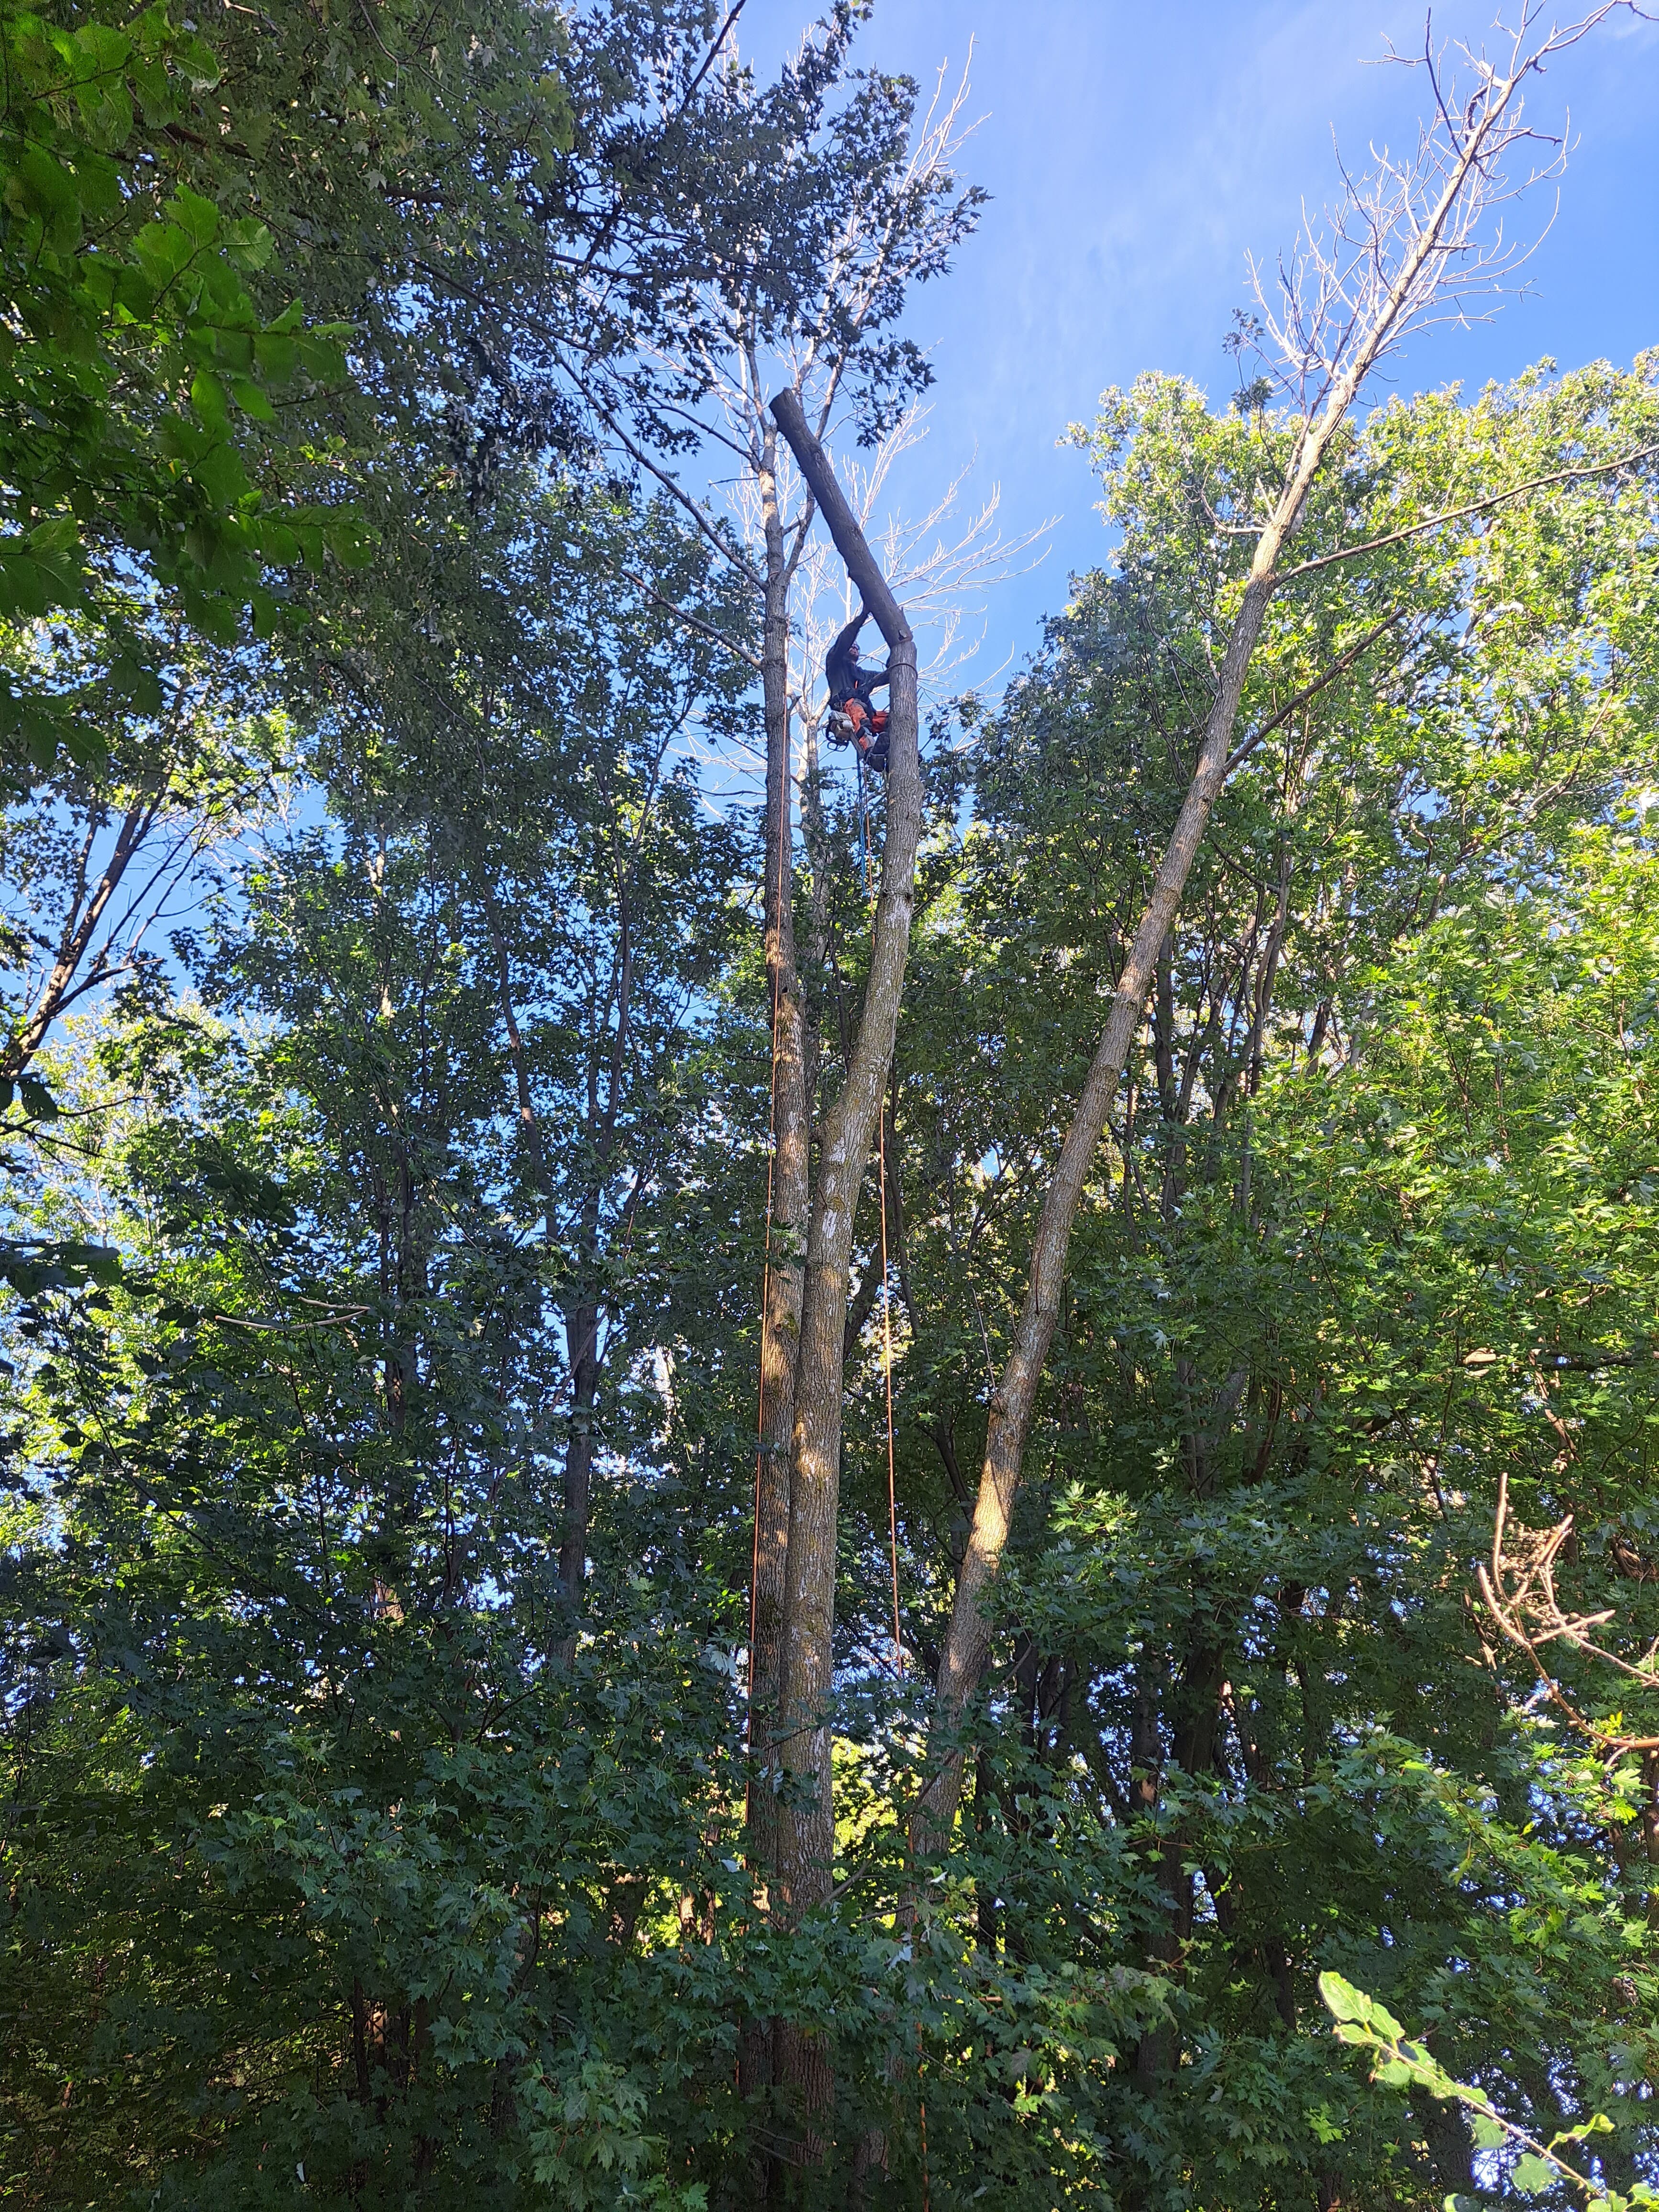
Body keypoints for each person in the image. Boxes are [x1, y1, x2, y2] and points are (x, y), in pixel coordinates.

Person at [824, 610, 890, 774]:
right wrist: (862, 618)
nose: (854, 647)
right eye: (852, 646)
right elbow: (844, 641)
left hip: (868, 713)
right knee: (857, 710)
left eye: (857, 647)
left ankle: (898, 750)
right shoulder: (835, 663)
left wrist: (895, 661)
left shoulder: (864, 675)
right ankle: (871, 753)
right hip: (848, 708)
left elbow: (887, 676)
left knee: (893, 719)